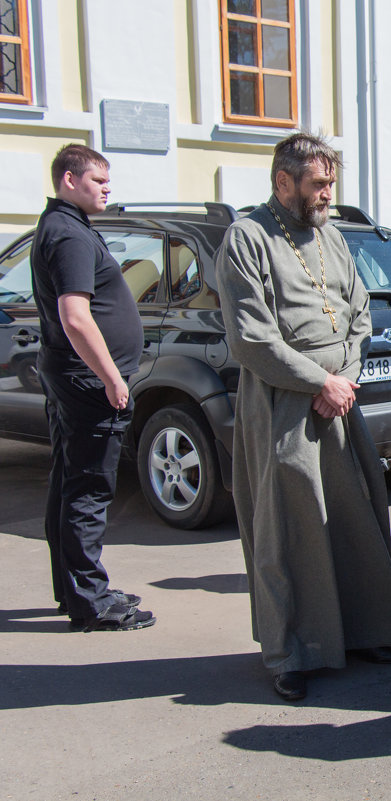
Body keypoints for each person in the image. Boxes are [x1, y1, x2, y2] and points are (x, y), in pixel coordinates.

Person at [216, 132, 391, 702]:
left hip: (339, 401)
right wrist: (319, 382)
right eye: (318, 183)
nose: (327, 193)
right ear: (283, 182)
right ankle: (293, 651)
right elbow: (251, 338)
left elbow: (359, 313)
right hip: (283, 405)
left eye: (331, 182)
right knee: (290, 528)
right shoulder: (247, 238)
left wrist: (345, 377)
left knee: (354, 520)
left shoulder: (332, 235)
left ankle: (367, 630)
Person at [30, 144, 156, 633]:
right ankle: (92, 602)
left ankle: (75, 589)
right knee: (88, 489)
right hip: (88, 383)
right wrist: (111, 378)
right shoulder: (69, 236)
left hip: (71, 376)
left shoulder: (64, 227)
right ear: (68, 180)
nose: (108, 188)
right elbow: (75, 316)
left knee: (68, 481)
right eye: (98, 181)